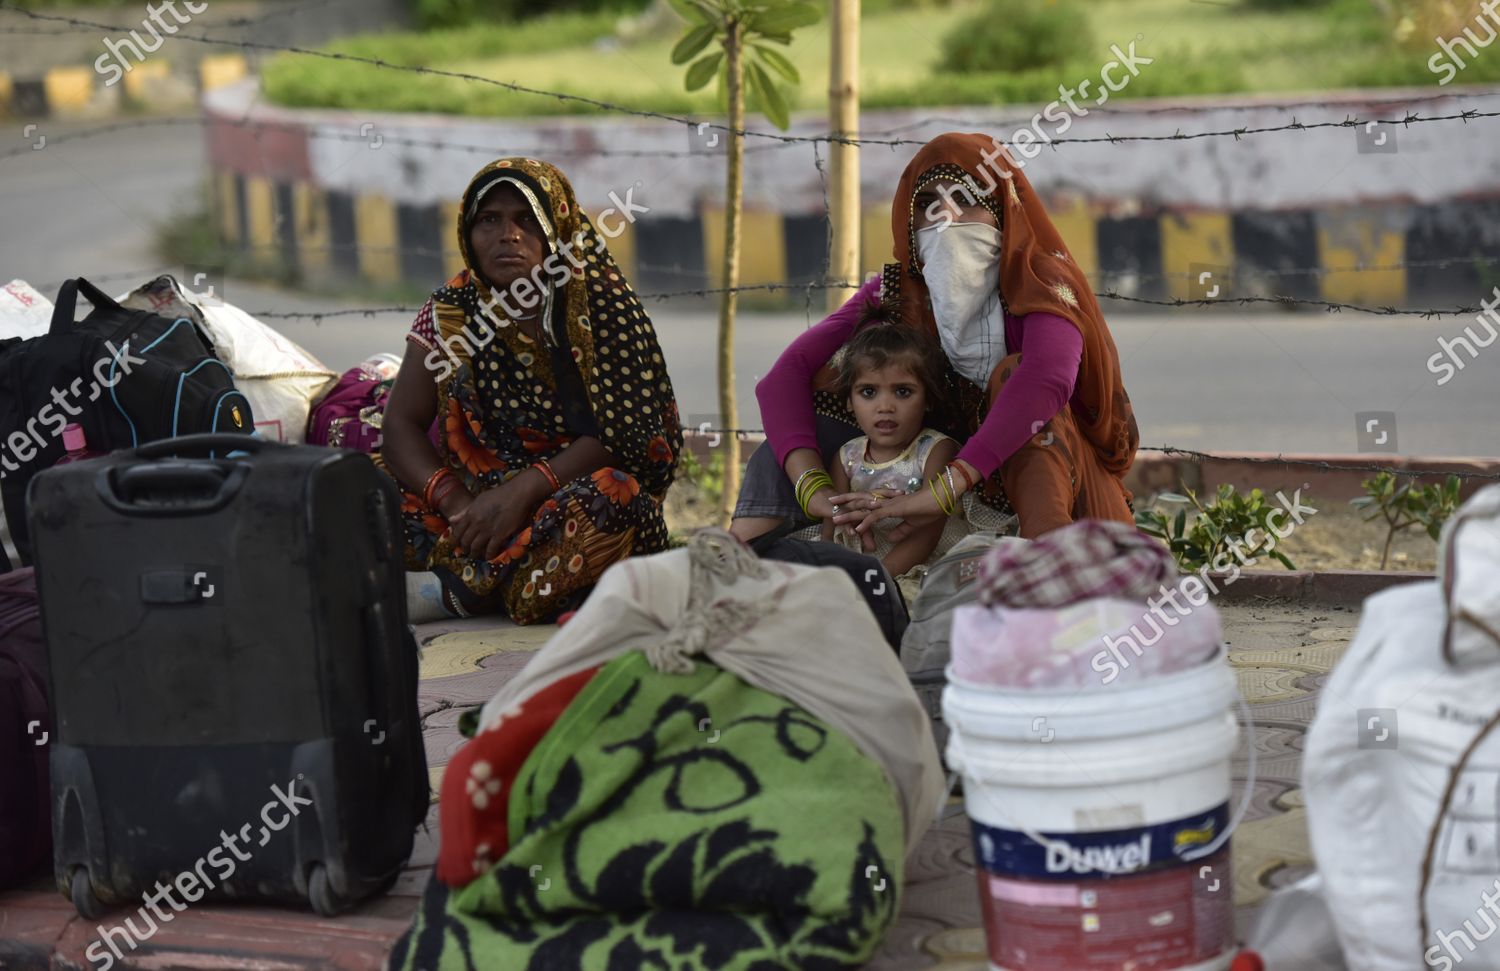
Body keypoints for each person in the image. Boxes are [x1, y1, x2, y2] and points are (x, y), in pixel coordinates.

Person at [730, 131, 1138, 546]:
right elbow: (784, 377)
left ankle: (1046, 566)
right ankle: (739, 556)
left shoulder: (1040, 281)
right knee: (845, 383)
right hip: (934, 502)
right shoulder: (900, 291)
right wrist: (813, 487)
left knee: (1018, 381)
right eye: (927, 205)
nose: (945, 217)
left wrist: (947, 485)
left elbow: (1048, 377)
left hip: (1058, 491)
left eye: (965, 199)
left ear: (1002, 207)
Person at [379, 157, 683, 625]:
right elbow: (400, 423)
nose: (508, 235)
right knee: (362, 484)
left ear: (557, 227)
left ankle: (459, 591)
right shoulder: (451, 309)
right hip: (476, 503)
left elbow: (628, 437)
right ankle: (511, 582)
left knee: (616, 500)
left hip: (566, 496)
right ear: (467, 231)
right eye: (489, 220)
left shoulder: (601, 302)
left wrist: (522, 492)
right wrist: (461, 506)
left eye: (527, 220)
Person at [819, 313, 967, 578]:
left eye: (902, 392)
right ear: (849, 401)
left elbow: (928, 532)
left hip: (927, 563)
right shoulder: (846, 457)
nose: (885, 407)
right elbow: (832, 529)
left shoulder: (936, 450)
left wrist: (879, 577)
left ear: (929, 398)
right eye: (868, 392)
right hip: (859, 562)